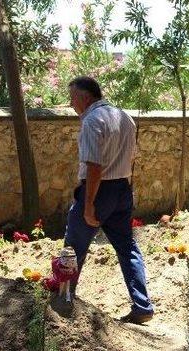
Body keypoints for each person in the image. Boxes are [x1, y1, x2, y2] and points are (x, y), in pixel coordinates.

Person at [65, 76, 154, 324]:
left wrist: (89, 204)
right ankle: (142, 305)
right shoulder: (125, 118)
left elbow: (94, 166)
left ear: (84, 97)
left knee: (73, 247)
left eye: (72, 98)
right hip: (122, 190)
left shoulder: (92, 121)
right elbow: (131, 157)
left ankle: (63, 299)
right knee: (128, 248)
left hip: (98, 191)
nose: (71, 104)